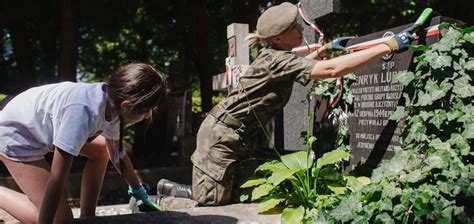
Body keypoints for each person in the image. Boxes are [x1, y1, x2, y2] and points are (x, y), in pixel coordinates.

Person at [155, 2, 415, 207]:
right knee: (211, 203)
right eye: (294, 27)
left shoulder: (275, 57)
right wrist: (387, 45)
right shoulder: (278, 60)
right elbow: (333, 70)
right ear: (278, 38)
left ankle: (177, 189)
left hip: (233, 135)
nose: (300, 29)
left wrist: (321, 51)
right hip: (221, 137)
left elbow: (300, 67)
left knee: (230, 192)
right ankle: (157, 202)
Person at [0, 62, 166, 223]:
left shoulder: (113, 103)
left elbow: (117, 156)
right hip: (16, 136)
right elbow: (57, 179)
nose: (147, 116)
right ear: (127, 105)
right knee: (61, 220)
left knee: (101, 149)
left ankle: (88, 217)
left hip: (36, 128)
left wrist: (139, 193)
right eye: (146, 111)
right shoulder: (81, 113)